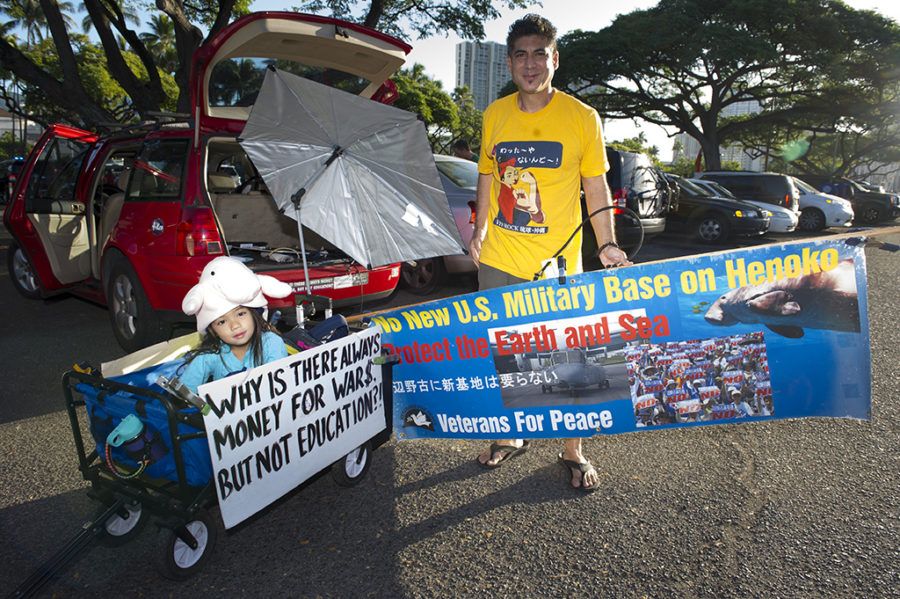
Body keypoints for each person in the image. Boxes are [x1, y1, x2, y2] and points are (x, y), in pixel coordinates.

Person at [469, 14, 630, 491]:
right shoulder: (495, 114)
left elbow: (595, 185)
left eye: (540, 53)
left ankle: (572, 449)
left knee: (570, 358)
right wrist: (477, 231)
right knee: (506, 352)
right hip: (499, 255)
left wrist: (607, 242)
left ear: (554, 59)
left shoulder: (582, 117)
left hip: (557, 263)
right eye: (521, 54)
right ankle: (513, 435)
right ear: (510, 62)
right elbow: (485, 176)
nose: (531, 63)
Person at [178, 256, 294, 393]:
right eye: (221, 322)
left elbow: (278, 389)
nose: (235, 326)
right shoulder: (211, 355)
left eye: (240, 314)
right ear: (213, 330)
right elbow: (183, 394)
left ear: (254, 314)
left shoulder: (271, 343)